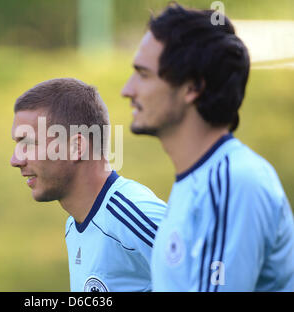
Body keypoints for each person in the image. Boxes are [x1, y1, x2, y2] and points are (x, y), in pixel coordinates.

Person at [121, 3, 294, 291]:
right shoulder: (201, 181)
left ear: (192, 88)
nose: (127, 89)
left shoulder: (233, 181)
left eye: (144, 74)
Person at [10, 78, 166, 291]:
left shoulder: (131, 215)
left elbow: (215, 274)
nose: (15, 160)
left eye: (28, 143)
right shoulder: (74, 226)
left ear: (76, 147)